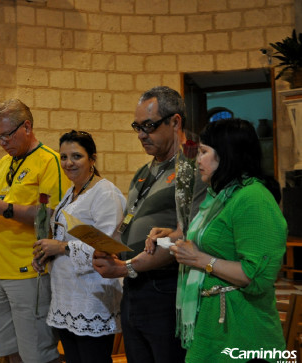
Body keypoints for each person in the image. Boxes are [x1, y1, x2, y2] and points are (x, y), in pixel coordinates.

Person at [93, 86, 206, 363]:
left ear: (175, 122)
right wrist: (108, 249)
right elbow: (128, 221)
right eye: (137, 126)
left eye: (149, 126)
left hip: (167, 287)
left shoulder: (193, 167)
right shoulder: (144, 171)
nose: (142, 134)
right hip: (134, 286)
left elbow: (189, 237)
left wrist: (124, 266)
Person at [170, 118, 287, 362]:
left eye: (203, 152)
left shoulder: (253, 197)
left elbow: (256, 276)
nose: (197, 159)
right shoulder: (222, 195)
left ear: (226, 154)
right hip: (213, 325)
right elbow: (210, 240)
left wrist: (201, 260)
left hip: (243, 328)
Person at [0, 99, 69, 363]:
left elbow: (51, 216)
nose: (2, 142)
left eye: (6, 134)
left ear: (26, 126)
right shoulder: (0, 165)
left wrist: (4, 208)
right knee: (7, 351)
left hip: (29, 272)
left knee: (37, 353)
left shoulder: (49, 161)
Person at [32, 130, 125, 363]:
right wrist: (46, 254)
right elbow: (64, 236)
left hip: (91, 296)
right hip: (66, 295)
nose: (68, 163)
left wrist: (60, 248)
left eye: (76, 156)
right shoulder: (70, 193)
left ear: (92, 158)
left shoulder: (105, 192)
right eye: (63, 157)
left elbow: (106, 245)